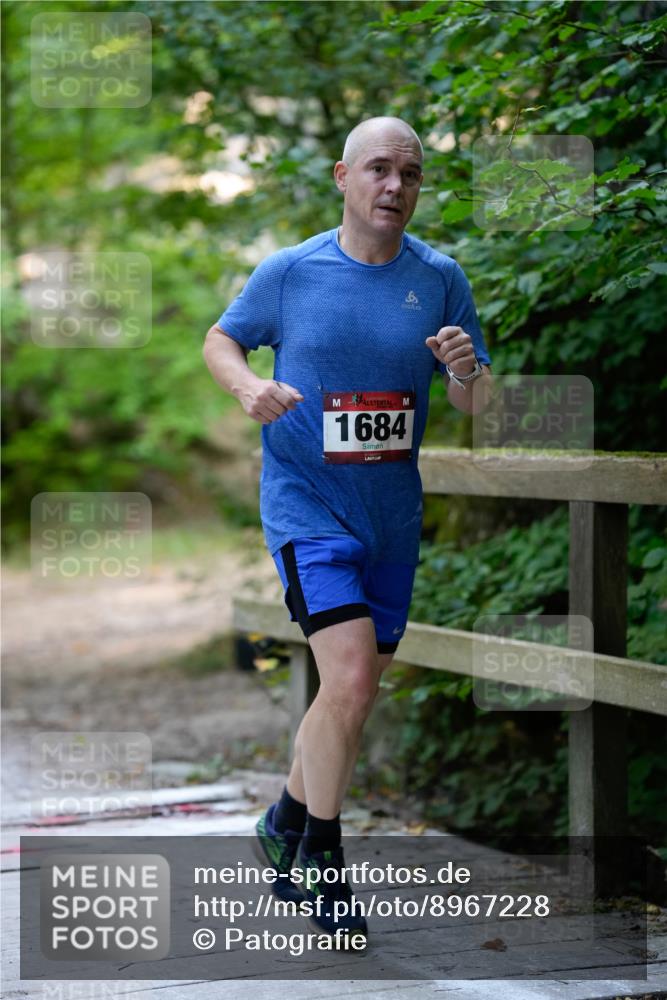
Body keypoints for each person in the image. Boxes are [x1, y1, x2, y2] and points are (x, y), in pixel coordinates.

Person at [203, 116, 493, 946]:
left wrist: (465, 370)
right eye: (378, 169)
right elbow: (220, 341)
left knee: (349, 692)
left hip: (390, 518)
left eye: (410, 173)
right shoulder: (291, 272)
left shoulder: (439, 278)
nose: (395, 186)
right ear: (342, 176)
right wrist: (247, 388)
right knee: (354, 678)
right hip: (308, 509)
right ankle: (322, 862)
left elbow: (477, 400)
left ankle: (282, 822)